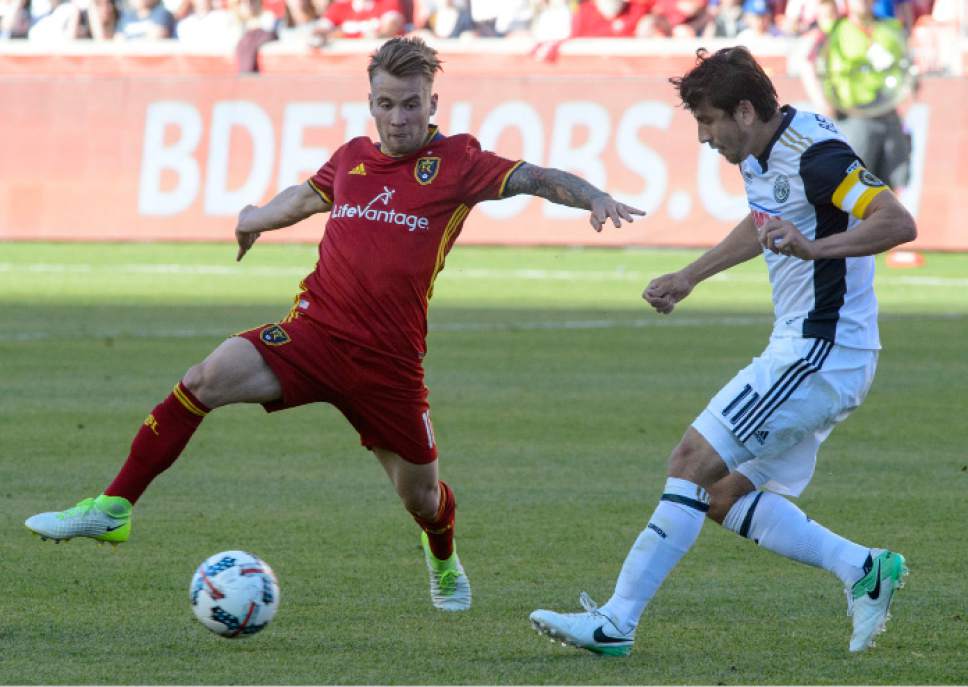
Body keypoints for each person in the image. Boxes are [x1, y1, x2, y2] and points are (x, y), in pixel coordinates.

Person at [24, 36, 644, 614]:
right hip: (314, 337)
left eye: (410, 105)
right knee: (205, 377)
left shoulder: (458, 162)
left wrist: (591, 195)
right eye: (385, 104)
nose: (398, 118)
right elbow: (301, 198)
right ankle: (114, 507)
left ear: (433, 103)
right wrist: (251, 219)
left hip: (390, 368)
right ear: (370, 103)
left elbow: (536, 178)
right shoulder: (352, 159)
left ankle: (444, 558)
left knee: (421, 499)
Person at [529, 46, 916, 655]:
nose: (705, 137)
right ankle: (864, 569)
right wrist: (691, 276)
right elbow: (764, 220)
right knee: (720, 492)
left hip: (821, 349)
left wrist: (815, 251)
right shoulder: (763, 150)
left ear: (743, 110)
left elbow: (897, 221)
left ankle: (615, 622)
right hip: (815, 348)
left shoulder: (816, 156)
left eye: (708, 122)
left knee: (690, 461)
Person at [801, 0, 914, 190]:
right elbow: (808, 63)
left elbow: (906, 63)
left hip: (887, 111)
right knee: (854, 182)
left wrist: (908, 90)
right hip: (854, 115)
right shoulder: (835, 29)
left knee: (894, 181)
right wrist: (821, 101)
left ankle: (888, 219)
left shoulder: (890, 28)